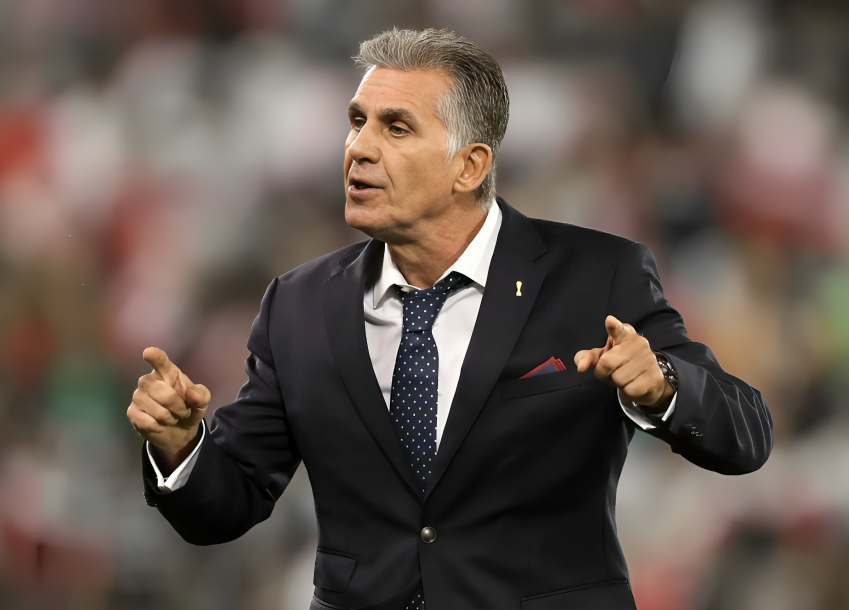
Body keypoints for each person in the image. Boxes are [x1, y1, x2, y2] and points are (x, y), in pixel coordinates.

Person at [127, 28, 772, 610]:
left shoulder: (598, 276)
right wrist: (182, 446)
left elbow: (747, 437)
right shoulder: (298, 303)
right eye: (357, 122)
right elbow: (228, 503)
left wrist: (663, 387)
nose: (358, 148)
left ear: (470, 166)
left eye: (396, 128)